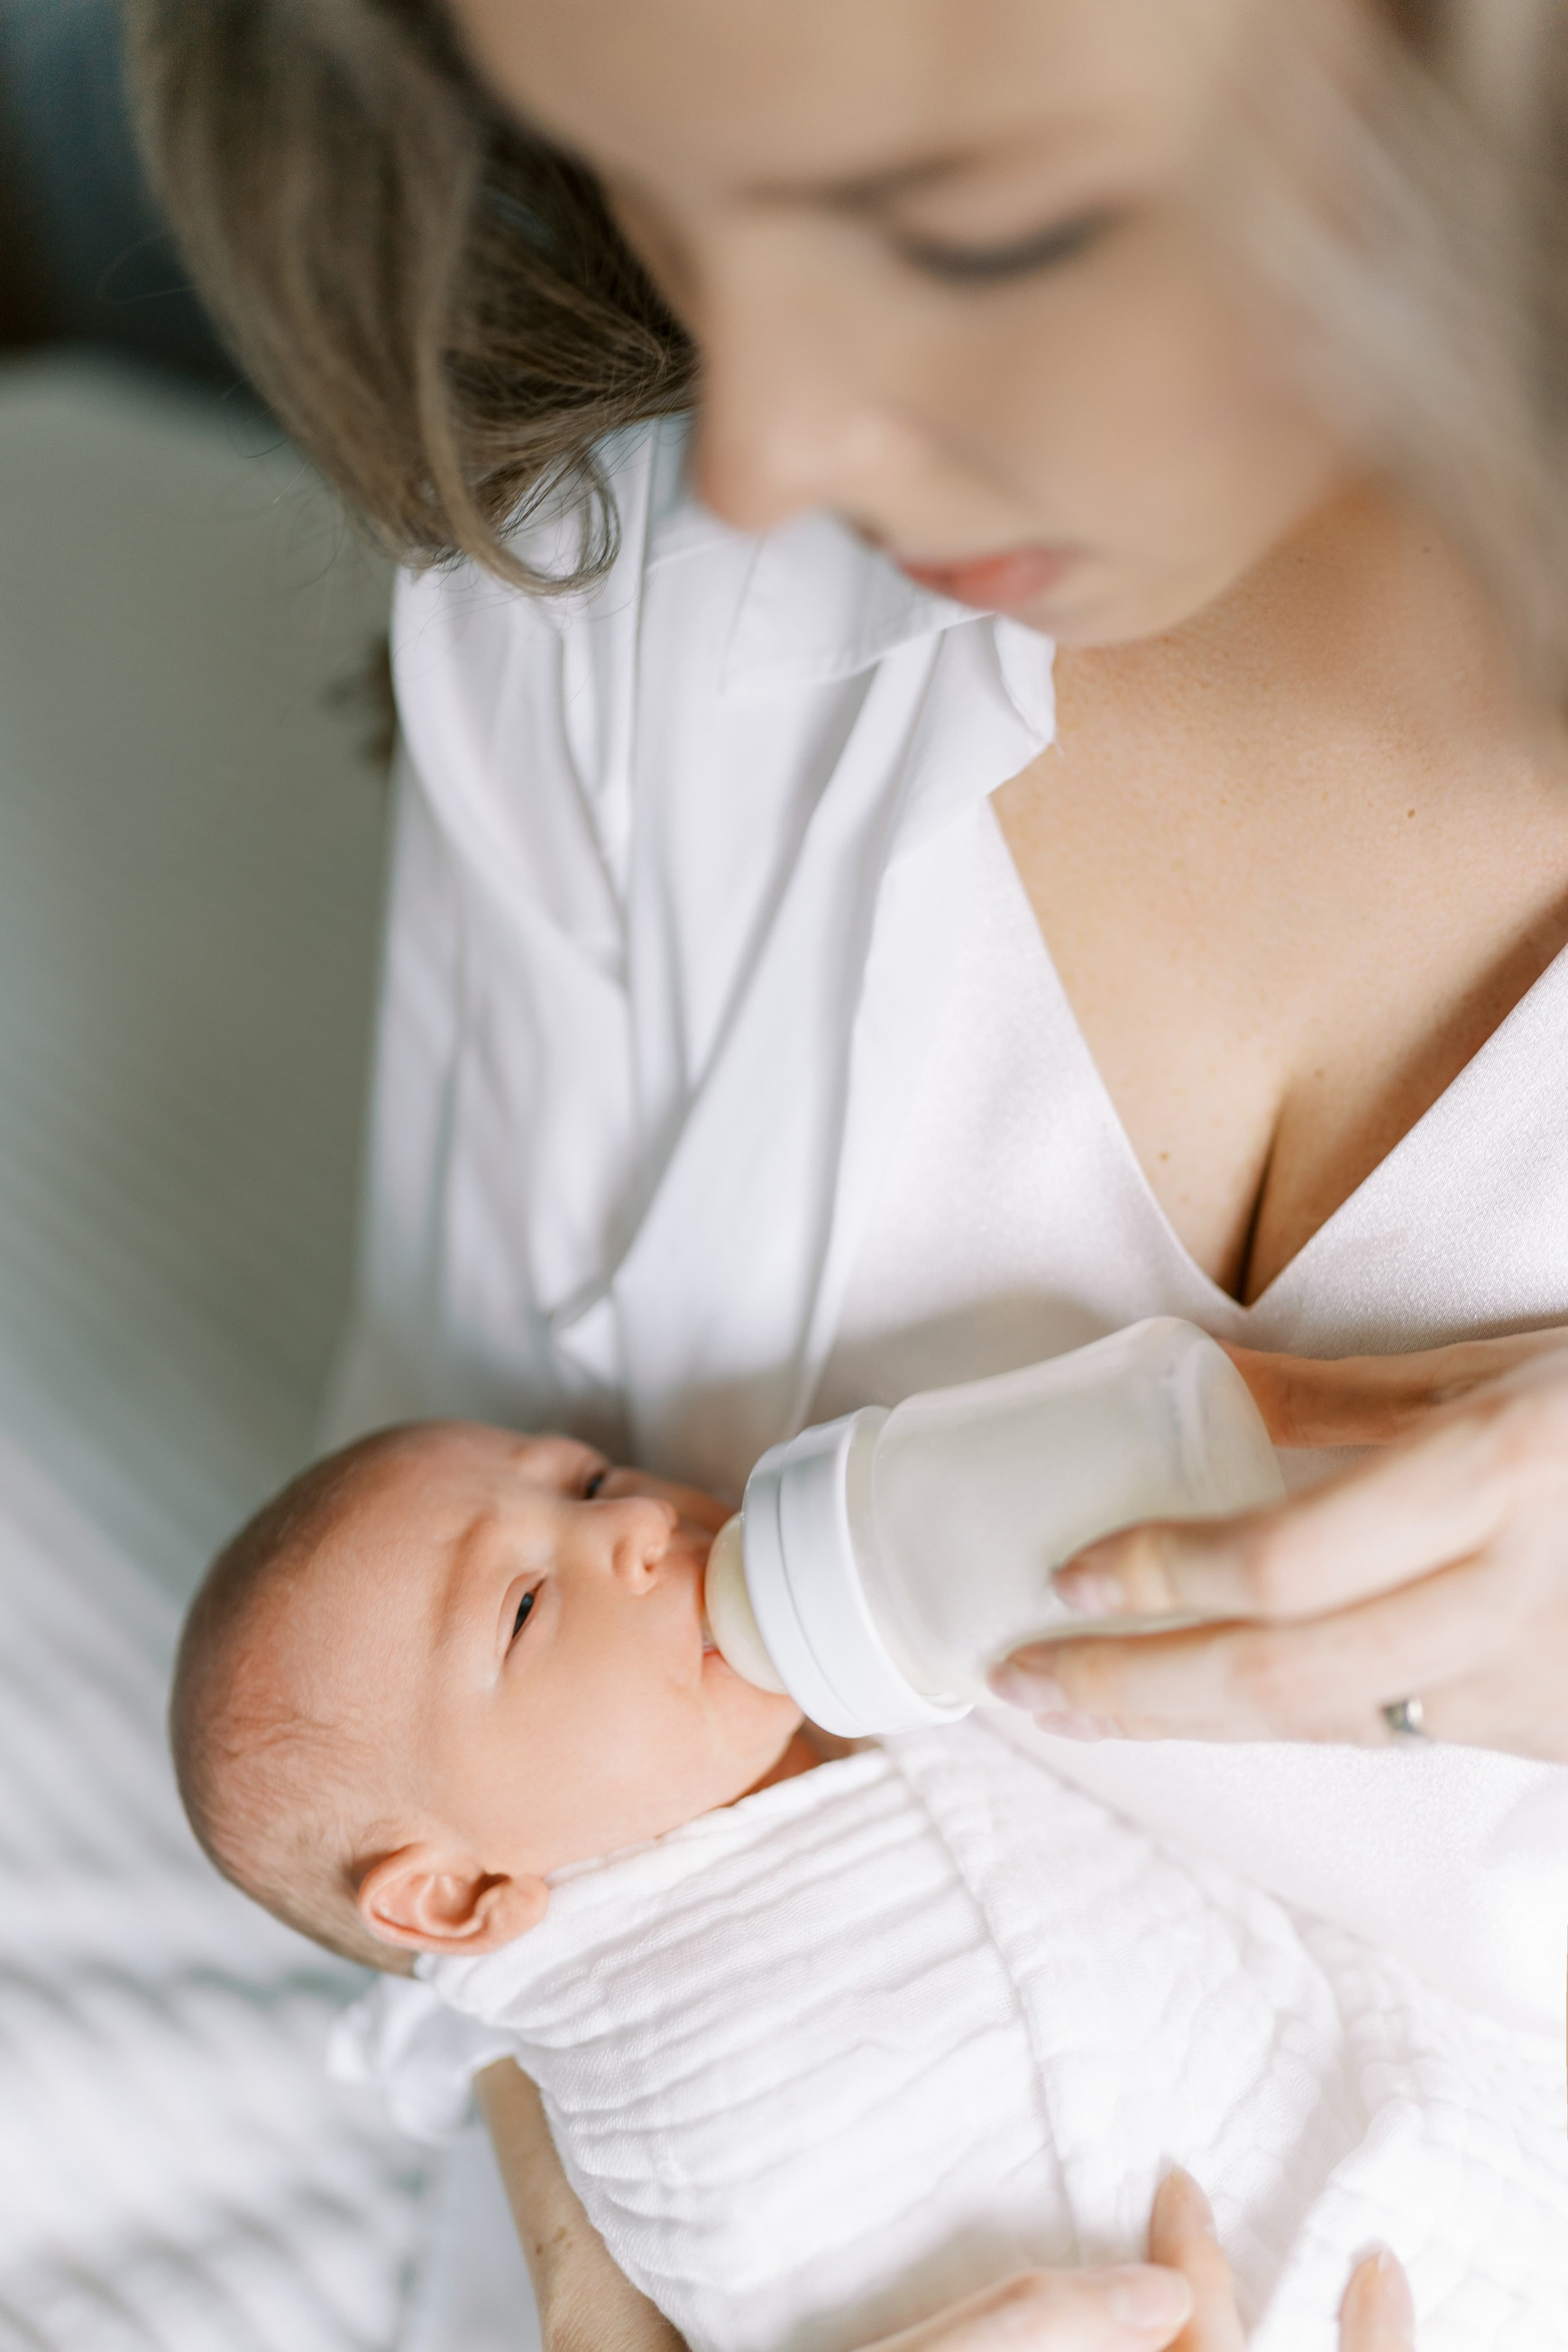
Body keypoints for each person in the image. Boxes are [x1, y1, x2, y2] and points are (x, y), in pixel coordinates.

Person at [125, 0, 1568, 2341]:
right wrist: (637, 2287)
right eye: (669, 207)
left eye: (950, 225)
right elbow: (423, 1790)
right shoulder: (630, 612)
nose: (774, 451)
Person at [169, 1417, 1477, 2350]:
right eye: (520, 1608)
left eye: (587, 1475)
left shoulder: (837, 1684)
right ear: (457, 1901)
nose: (631, 1521)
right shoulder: (684, 2068)